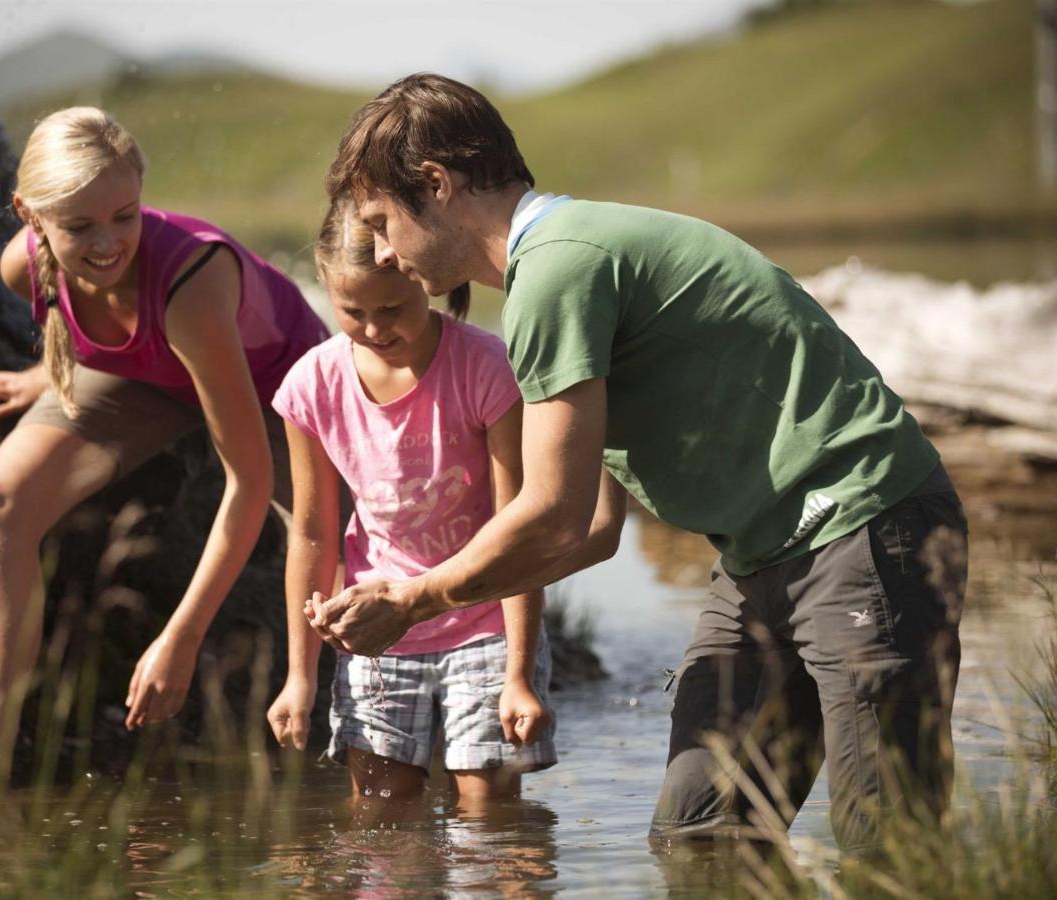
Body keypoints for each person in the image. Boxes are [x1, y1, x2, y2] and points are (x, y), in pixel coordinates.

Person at [307, 73, 968, 852]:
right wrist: (432, 600)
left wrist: (414, 600)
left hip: (864, 527)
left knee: (888, 846)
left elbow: (551, 513)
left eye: (382, 221)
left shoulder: (556, 269)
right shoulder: (554, 270)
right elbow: (589, 529)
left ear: (438, 185)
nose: (382, 249)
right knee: (701, 837)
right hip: (763, 557)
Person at [0, 107, 328, 762]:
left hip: (274, 385)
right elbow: (72, 311)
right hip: (151, 378)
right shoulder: (21, 266)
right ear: (28, 215)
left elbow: (249, 483)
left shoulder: (189, 284)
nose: (107, 243)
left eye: (125, 216)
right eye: (80, 226)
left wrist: (180, 639)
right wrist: (48, 373)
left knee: (349, 550)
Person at [265, 196, 556, 806]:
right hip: (377, 630)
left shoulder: (486, 367)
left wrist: (521, 675)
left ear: (422, 279)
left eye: (393, 308)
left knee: (489, 815)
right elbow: (314, 535)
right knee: (379, 812)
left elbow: (517, 526)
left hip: (485, 624)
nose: (375, 329)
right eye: (353, 311)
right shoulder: (312, 386)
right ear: (326, 290)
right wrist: (300, 676)